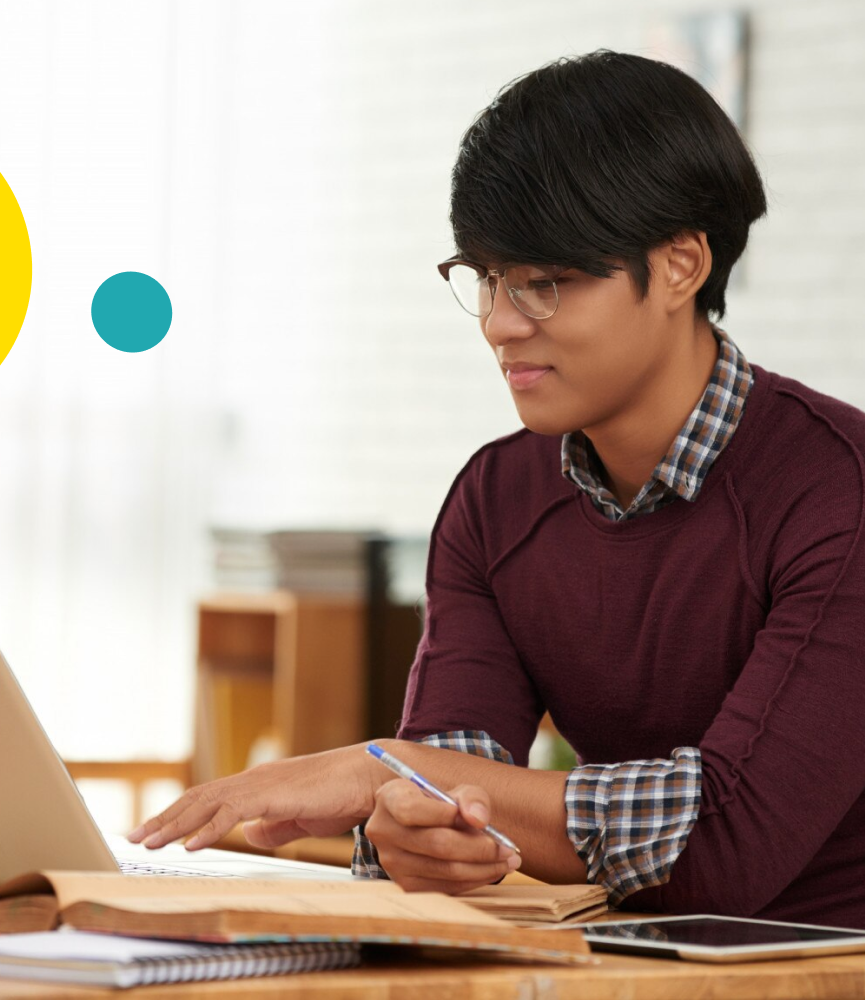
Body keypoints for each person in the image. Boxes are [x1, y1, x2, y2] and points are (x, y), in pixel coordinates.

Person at [130, 50, 865, 928]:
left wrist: (393, 772)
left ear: (678, 268)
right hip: (625, 960)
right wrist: (420, 828)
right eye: (486, 278)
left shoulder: (838, 488)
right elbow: (448, 772)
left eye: (545, 284)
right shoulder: (495, 500)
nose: (499, 325)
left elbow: (730, 843)